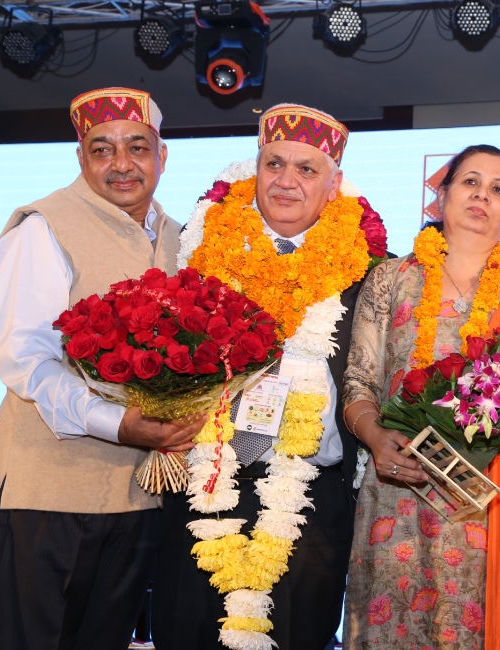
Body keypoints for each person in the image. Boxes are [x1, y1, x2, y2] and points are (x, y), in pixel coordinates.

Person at [151, 104, 382, 650]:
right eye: (274, 163)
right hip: (205, 483)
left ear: (334, 186)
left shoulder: (368, 270)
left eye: (306, 169)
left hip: (312, 501)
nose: (286, 180)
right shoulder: (200, 250)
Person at [0, 87, 203, 649]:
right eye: (102, 149)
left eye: (137, 146)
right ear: (81, 158)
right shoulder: (45, 226)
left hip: (138, 497)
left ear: (162, 156)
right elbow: (25, 359)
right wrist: (119, 425)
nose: (122, 164)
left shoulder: (180, 239)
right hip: (47, 494)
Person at [342, 144, 500, 650]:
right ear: (440, 196)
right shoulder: (391, 278)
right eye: (470, 182)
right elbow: (359, 380)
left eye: (497, 189)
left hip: (487, 502)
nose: (482, 195)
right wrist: (375, 438)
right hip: (396, 486)